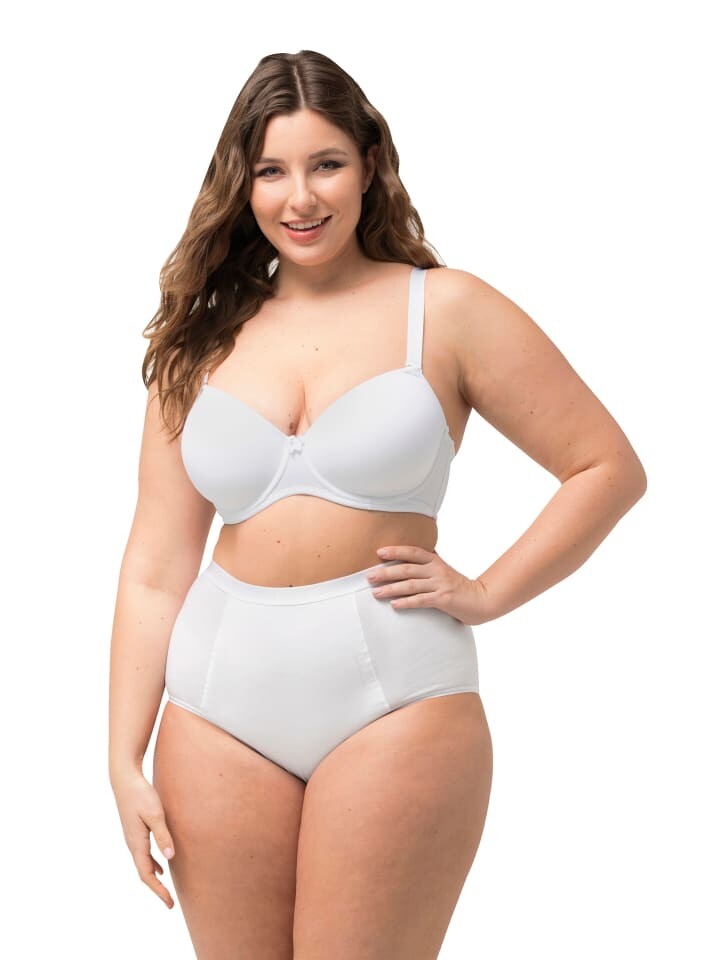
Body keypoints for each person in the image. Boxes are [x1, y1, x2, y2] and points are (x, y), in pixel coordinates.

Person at [108, 49, 647, 959]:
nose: (300, 198)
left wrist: (489, 592)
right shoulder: (201, 336)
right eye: (271, 171)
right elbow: (157, 567)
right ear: (242, 184)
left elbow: (605, 467)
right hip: (213, 710)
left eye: (325, 164)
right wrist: (122, 757)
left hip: (395, 701)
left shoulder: (448, 310)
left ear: (368, 164)